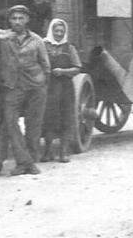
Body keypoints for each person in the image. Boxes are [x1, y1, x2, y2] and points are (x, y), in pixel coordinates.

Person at [0, 5, 51, 176]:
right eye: (14, 19)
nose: (17, 22)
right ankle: (25, 161)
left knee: (33, 125)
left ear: (27, 20)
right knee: (10, 122)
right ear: (9, 21)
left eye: (21, 18)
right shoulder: (3, 37)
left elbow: (45, 65)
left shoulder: (36, 40)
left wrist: (43, 84)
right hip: (13, 86)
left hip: (35, 86)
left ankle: (30, 160)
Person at [41, 19, 82, 163]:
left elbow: (77, 68)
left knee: (65, 116)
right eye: (56, 31)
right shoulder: (43, 45)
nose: (58, 34)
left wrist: (63, 71)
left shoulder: (69, 47)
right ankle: (47, 150)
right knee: (49, 117)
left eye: (61, 31)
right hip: (49, 87)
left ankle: (64, 151)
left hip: (65, 87)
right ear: (51, 31)